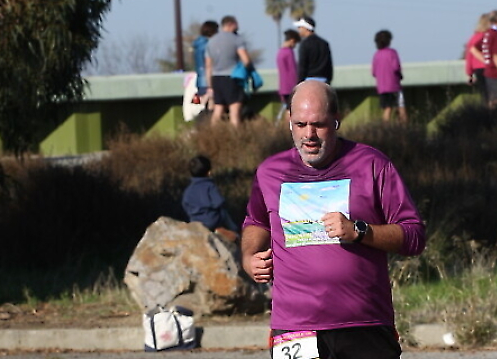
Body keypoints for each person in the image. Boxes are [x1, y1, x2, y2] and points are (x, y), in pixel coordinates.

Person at [241, 80, 425, 359]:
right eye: (300, 124)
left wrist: (359, 231)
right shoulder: (270, 172)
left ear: (337, 119)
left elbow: (414, 236)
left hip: (363, 323)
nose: (309, 134)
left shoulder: (371, 164)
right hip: (295, 327)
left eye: (319, 124)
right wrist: (249, 258)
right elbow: (256, 222)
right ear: (289, 121)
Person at [205, 15, 252, 126]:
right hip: (231, 78)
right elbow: (246, 60)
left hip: (216, 79)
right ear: (231, 24)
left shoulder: (211, 41)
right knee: (234, 111)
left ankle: (212, 134)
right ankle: (235, 135)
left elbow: (208, 66)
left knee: (218, 109)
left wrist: (210, 85)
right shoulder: (236, 39)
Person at [182, 155, 239, 243]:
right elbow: (219, 202)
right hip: (212, 221)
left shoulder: (188, 190)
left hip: (195, 222)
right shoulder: (210, 186)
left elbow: (185, 204)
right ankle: (233, 230)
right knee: (222, 211)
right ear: (209, 172)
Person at [371, 29, 407, 123]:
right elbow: (396, 67)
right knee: (401, 107)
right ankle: (405, 127)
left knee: (387, 108)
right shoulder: (392, 53)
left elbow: (374, 72)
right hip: (394, 86)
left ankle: (385, 128)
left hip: (382, 87)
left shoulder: (376, 55)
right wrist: (400, 76)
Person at [293, 16, 333, 84]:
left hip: (309, 81)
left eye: (300, 27)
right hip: (324, 81)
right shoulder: (324, 43)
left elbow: (302, 66)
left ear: (306, 28)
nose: (298, 29)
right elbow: (329, 65)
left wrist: (300, 82)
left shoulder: (305, 44)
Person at [464, 13, 490, 103]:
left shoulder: (474, 37)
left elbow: (469, 57)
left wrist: (469, 73)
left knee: (484, 93)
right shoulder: (488, 36)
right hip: (488, 67)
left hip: (477, 68)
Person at [192, 20, 219, 104]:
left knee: (205, 103)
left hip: (200, 80)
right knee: (213, 103)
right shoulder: (209, 45)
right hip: (209, 79)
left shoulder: (198, 45)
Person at [276, 29, 300, 120]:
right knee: (291, 109)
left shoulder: (280, 52)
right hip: (290, 86)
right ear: (292, 41)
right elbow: (293, 70)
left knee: (287, 108)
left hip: (283, 86)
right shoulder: (289, 52)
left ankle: (287, 126)